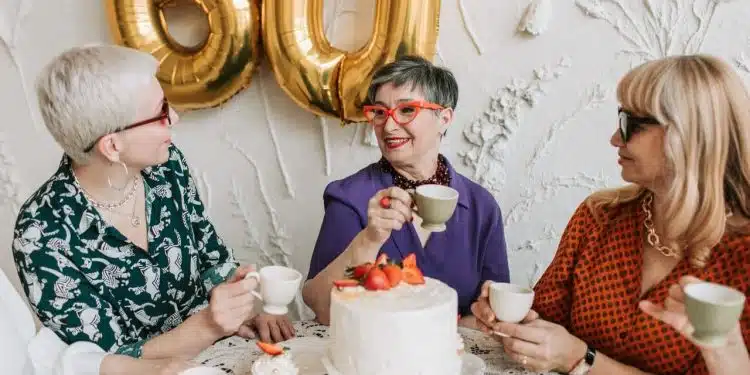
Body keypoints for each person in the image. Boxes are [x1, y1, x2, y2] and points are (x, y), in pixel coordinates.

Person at [11, 44, 293, 374]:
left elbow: (211, 258)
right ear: (112, 146)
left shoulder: (166, 167)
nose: (174, 118)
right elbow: (101, 361)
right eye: (161, 112)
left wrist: (238, 299)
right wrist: (209, 326)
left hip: (219, 357)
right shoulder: (40, 234)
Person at [472, 54, 750, 375]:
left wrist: (582, 360)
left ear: (688, 135)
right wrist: (508, 316)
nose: (615, 139)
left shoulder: (741, 259)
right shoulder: (599, 216)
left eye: (631, 124)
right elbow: (546, 322)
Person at [302, 55, 510, 325]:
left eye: (406, 110)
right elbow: (321, 308)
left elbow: (494, 313)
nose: (388, 126)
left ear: (444, 118)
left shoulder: (482, 207)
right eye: (379, 112)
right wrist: (369, 239)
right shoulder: (348, 197)